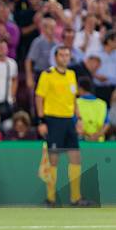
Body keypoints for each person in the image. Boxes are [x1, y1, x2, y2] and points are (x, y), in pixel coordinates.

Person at [35, 46, 91, 207]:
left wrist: (78, 118)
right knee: (53, 159)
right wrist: (41, 121)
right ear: (56, 57)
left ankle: (75, 198)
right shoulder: (47, 75)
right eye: (62, 55)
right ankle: (50, 199)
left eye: (67, 55)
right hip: (53, 120)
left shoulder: (72, 75)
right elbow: (39, 98)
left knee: (75, 157)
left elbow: (73, 99)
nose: (65, 58)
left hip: (69, 120)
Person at [76, 77, 109, 142]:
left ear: (80, 88)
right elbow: (107, 124)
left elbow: (74, 124)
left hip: (81, 142)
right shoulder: (102, 104)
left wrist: (89, 135)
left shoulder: (76, 103)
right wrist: (97, 135)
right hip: (99, 143)